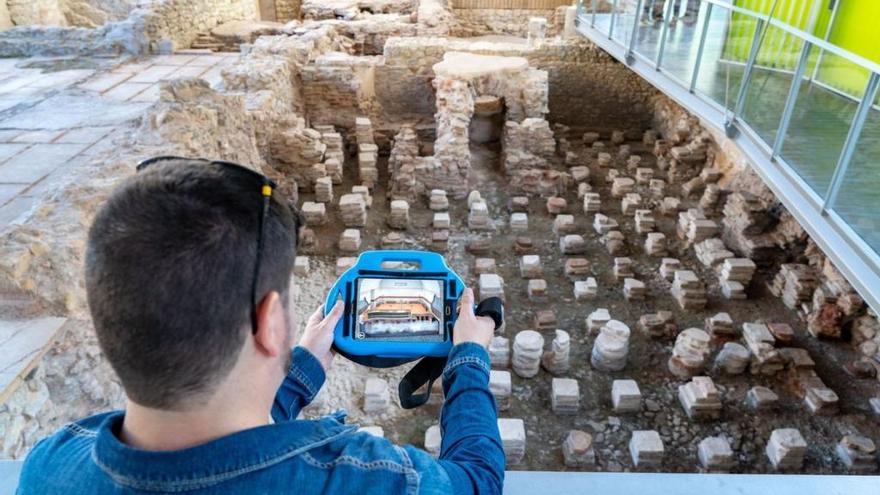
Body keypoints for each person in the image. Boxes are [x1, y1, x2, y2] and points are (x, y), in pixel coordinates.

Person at [16, 157, 505, 494]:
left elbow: (231, 450)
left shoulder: (50, 465)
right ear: (270, 324)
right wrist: (468, 359)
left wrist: (304, 369)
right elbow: (477, 480)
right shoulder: (366, 479)